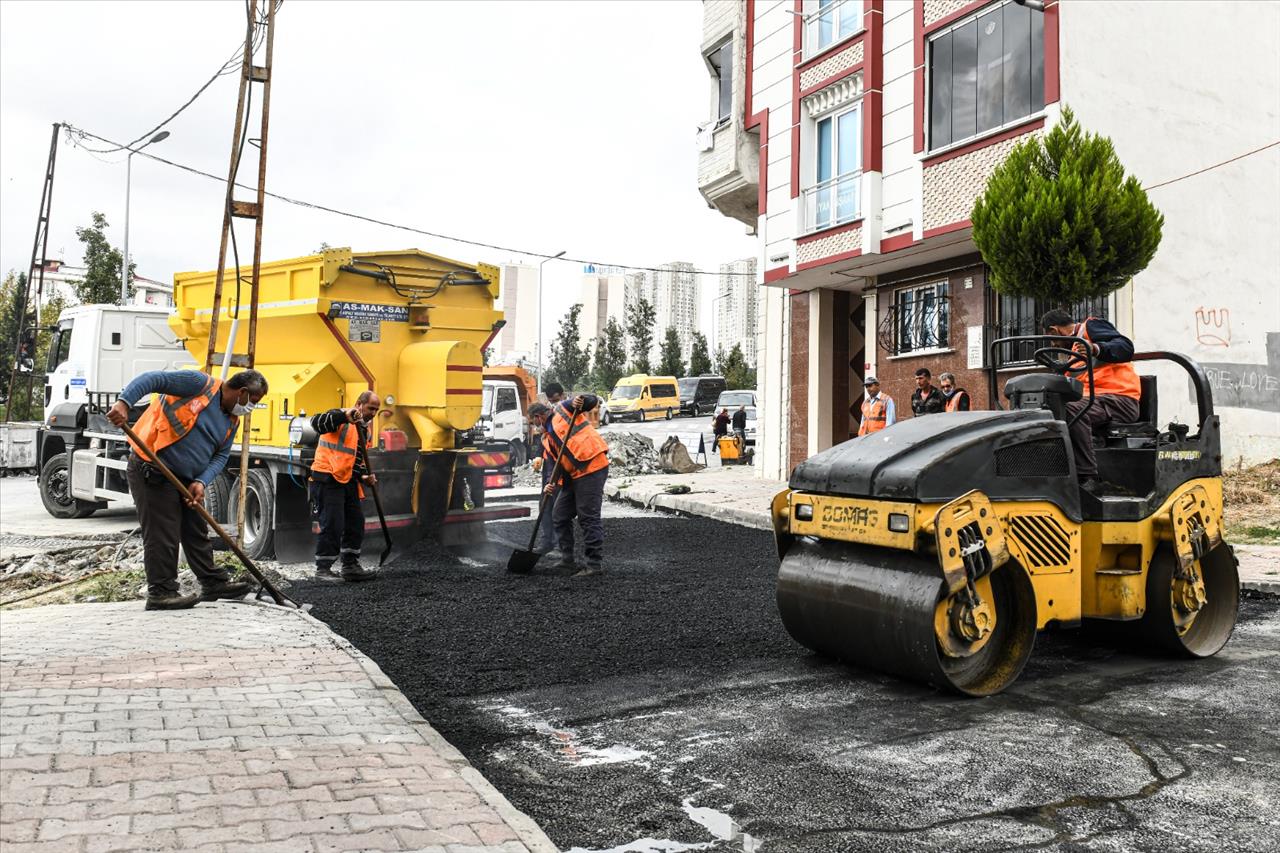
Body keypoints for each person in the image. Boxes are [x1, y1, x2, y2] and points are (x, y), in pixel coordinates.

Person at [107, 369, 267, 610]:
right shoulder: (198, 385)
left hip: (185, 479)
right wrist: (124, 403)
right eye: (252, 402)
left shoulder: (231, 419)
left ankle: (212, 583)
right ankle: (161, 593)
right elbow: (152, 380)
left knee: (196, 529)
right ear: (242, 392)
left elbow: (221, 455)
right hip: (152, 467)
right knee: (163, 533)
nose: (250, 408)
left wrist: (201, 481)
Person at [1041, 308, 1142, 491]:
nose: (1054, 344)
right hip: (1096, 401)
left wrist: (1096, 349)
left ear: (1054, 331)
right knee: (1051, 409)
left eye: (1052, 339)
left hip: (1120, 399)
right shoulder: (1074, 353)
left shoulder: (1091, 327)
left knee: (1073, 410)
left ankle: (1086, 479)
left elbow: (1126, 347)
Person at [309, 390, 381, 582]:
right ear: (359, 404)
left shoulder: (364, 430)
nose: (373, 413)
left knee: (355, 522)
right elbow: (316, 422)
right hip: (327, 477)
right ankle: (323, 570)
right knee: (333, 524)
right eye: (371, 408)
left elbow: (354, 460)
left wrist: (364, 476)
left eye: (377, 410)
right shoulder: (338, 416)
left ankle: (350, 566)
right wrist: (344, 416)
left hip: (347, 480)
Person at [534, 394, 609, 576]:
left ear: (538, 417)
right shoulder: (546, 438)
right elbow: (554, 465)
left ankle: (594, 564)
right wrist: (549, 484)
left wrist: (582, 400)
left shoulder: (564, 408)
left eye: (533, 422)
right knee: (559, 515)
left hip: (592, 466)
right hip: (573, 476)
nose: (534, 427)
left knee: (588, 516)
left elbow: (591, 401)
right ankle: (567, 560)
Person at [535, 383, 567, 552]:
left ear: (563, 395)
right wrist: (538, 455)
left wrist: (553, 480)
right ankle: (547, 541)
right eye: (551, 401)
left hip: (560, 472)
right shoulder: (548, 417)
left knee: (559, 510)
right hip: (549, 469)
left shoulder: (565, 416)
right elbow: (543, 438)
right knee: (544, 505)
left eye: (556, 400)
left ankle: (563, 548)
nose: (554, 403)